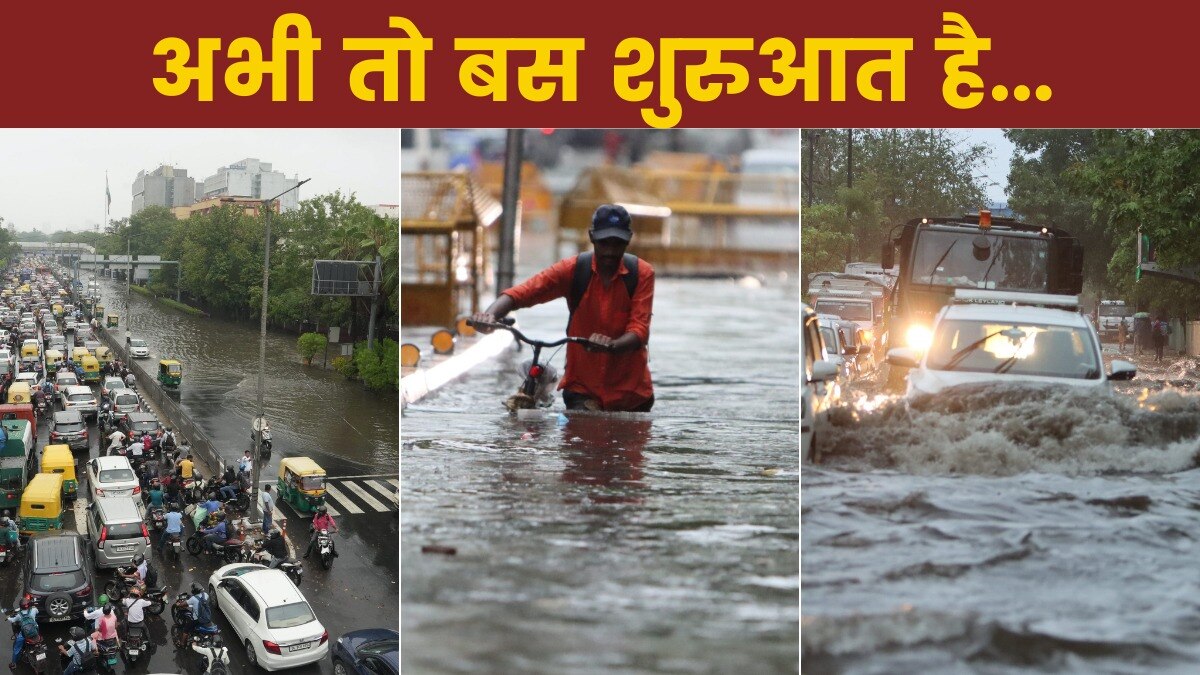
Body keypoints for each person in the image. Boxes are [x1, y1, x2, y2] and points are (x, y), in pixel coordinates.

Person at [471, 204, 655, 412]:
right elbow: (524, 292)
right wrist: (490, 316)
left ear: (629, 239)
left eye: (618, 244)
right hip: (583, 390)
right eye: (604, 243)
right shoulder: (574, 270)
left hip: (631, 395)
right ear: (592, 237)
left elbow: (640, 330)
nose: (610, 252)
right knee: (578, 430)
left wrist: (612, 345)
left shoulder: (642, 274)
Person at [8, 597, 39, 670]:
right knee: (37, 626)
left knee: (17, 648)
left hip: (25, 634)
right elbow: (37, 612)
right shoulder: (34, 609)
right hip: (35, 631)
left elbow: (13, 620)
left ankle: (13, 664)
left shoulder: (19, 615)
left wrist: (8, 617)